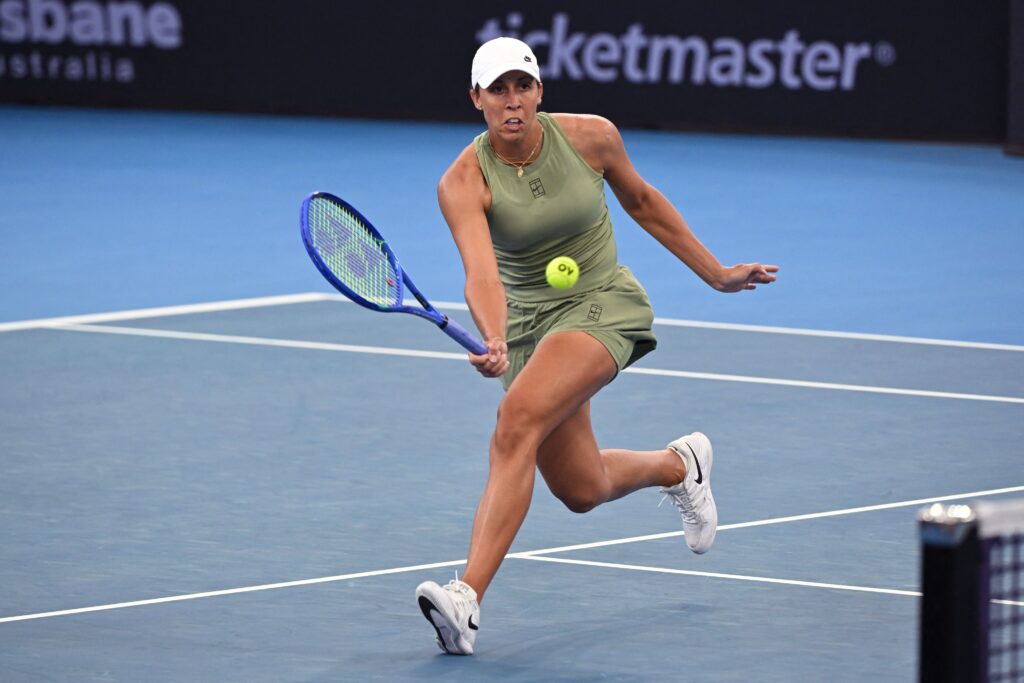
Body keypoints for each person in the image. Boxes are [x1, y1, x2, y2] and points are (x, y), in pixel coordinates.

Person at [415, 37, 778, 656]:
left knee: (514, 423)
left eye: (522, 86)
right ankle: (679, 466)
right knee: (581, 488)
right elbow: (481, 274)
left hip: (602, 301)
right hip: (528, 329)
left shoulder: (591, 137)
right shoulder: (462, 181)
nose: (512, 101)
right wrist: (495, 334)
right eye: (497, 90)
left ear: (539, 91)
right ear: (476, 99)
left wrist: (716, 275)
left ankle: (466, 597)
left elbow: (643, 202)